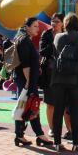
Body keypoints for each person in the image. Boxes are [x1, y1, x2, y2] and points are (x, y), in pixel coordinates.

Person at [50, 12, 78, 152]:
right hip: (76, 79)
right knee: (74, 110)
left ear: (65, 24)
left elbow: (55, 56)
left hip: (59, 79)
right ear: (77, 24)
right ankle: (76, 143)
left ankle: (56, 142)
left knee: (58, 110)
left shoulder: (58, 37)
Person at [13, 17, 50, 147]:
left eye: (37, 26)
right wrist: (29, 83)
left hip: (26, 80)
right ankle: (39, 134)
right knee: (31, 106)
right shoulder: (24, 41)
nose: (37, 29)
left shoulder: (23, 39)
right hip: (26, 81)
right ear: (27, 27)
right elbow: (25, 65)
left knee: (24, 107)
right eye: (35, 26)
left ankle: (20, 135)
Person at [39, 13, 72, 137]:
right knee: (50, 103)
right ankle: (52, 129)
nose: (54, 23)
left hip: (64, 73)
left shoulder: (67, 35)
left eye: (57, 21)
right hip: (50, 73)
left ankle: (70, 130)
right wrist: (55, 42)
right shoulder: (46, 34)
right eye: (53, 21)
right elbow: (42, 51)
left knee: (65, 104)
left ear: (63, 23)